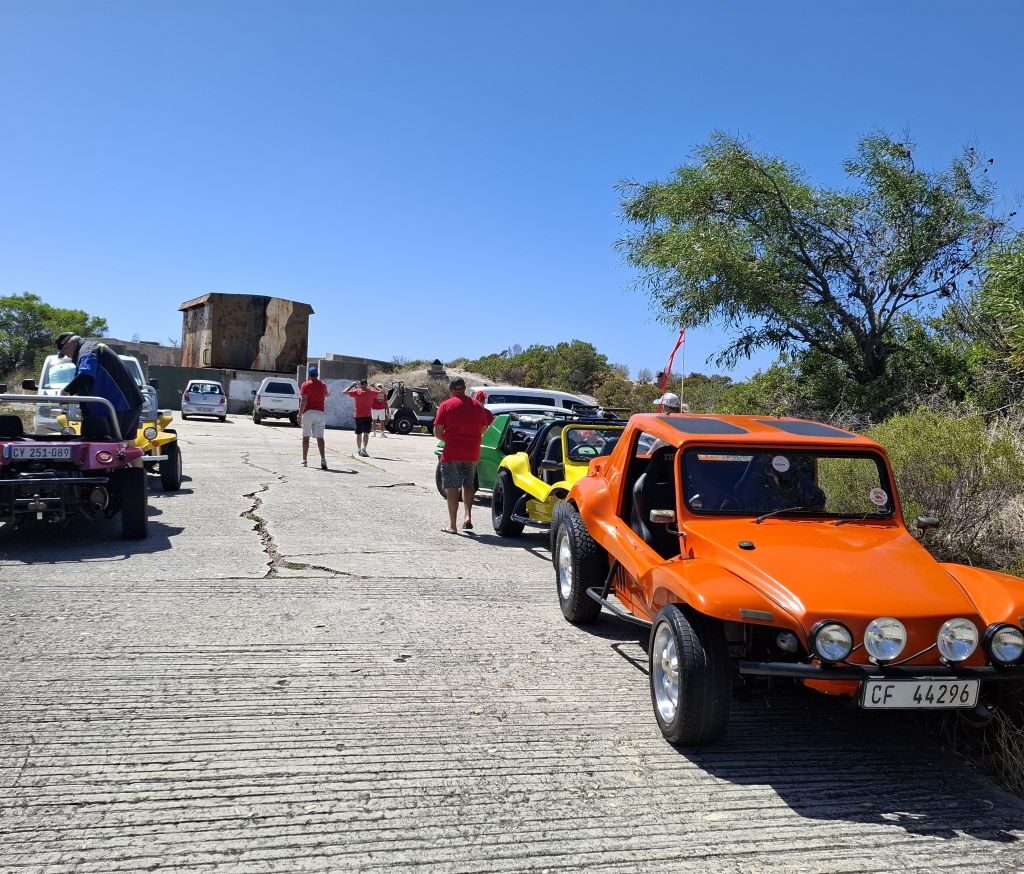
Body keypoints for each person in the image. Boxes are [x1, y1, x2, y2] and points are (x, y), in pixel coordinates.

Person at [56, 333, 144, 443]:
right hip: (131, 404)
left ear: (69, 344)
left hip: (121, 406)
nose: (68, 356)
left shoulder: (87, 350)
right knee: (129, 446)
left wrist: (66, 391)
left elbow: (86, 375)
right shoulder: (92, 347)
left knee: (109, 448)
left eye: (65, 352)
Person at [433, 377, 494, 533]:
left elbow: (437, 432)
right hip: (472, 452)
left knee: (452, 487)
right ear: (464, 388)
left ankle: (452, 525)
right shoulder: (477, 406)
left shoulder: (446, 406)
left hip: (452, 452)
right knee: (468, 484)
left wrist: (450, 438)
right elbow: (483, 428)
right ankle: (467, 516)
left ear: (451, 389)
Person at [299, 366, 330, 469]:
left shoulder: (305, 385)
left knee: (306, 436)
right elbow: (327, 394)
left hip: (308, 413)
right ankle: (323, 459)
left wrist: (299, 414)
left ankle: (304, 460)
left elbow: (304, 400)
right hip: (320, 413)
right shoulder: (323, 385)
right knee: (320, 437)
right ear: (317, 375)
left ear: (309, 375)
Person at [344, 378, 378, 457]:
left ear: (360, 384)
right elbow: (383, 392)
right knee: (366, 433)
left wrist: (351, 386)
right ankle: (364, 449)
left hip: (358, 416)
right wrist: (375, 387)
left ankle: (359, 450)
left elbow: (344, 392)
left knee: (359, 434)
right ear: (366, 384)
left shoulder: (357, 391)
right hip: (367, 416)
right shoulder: (371, 392)